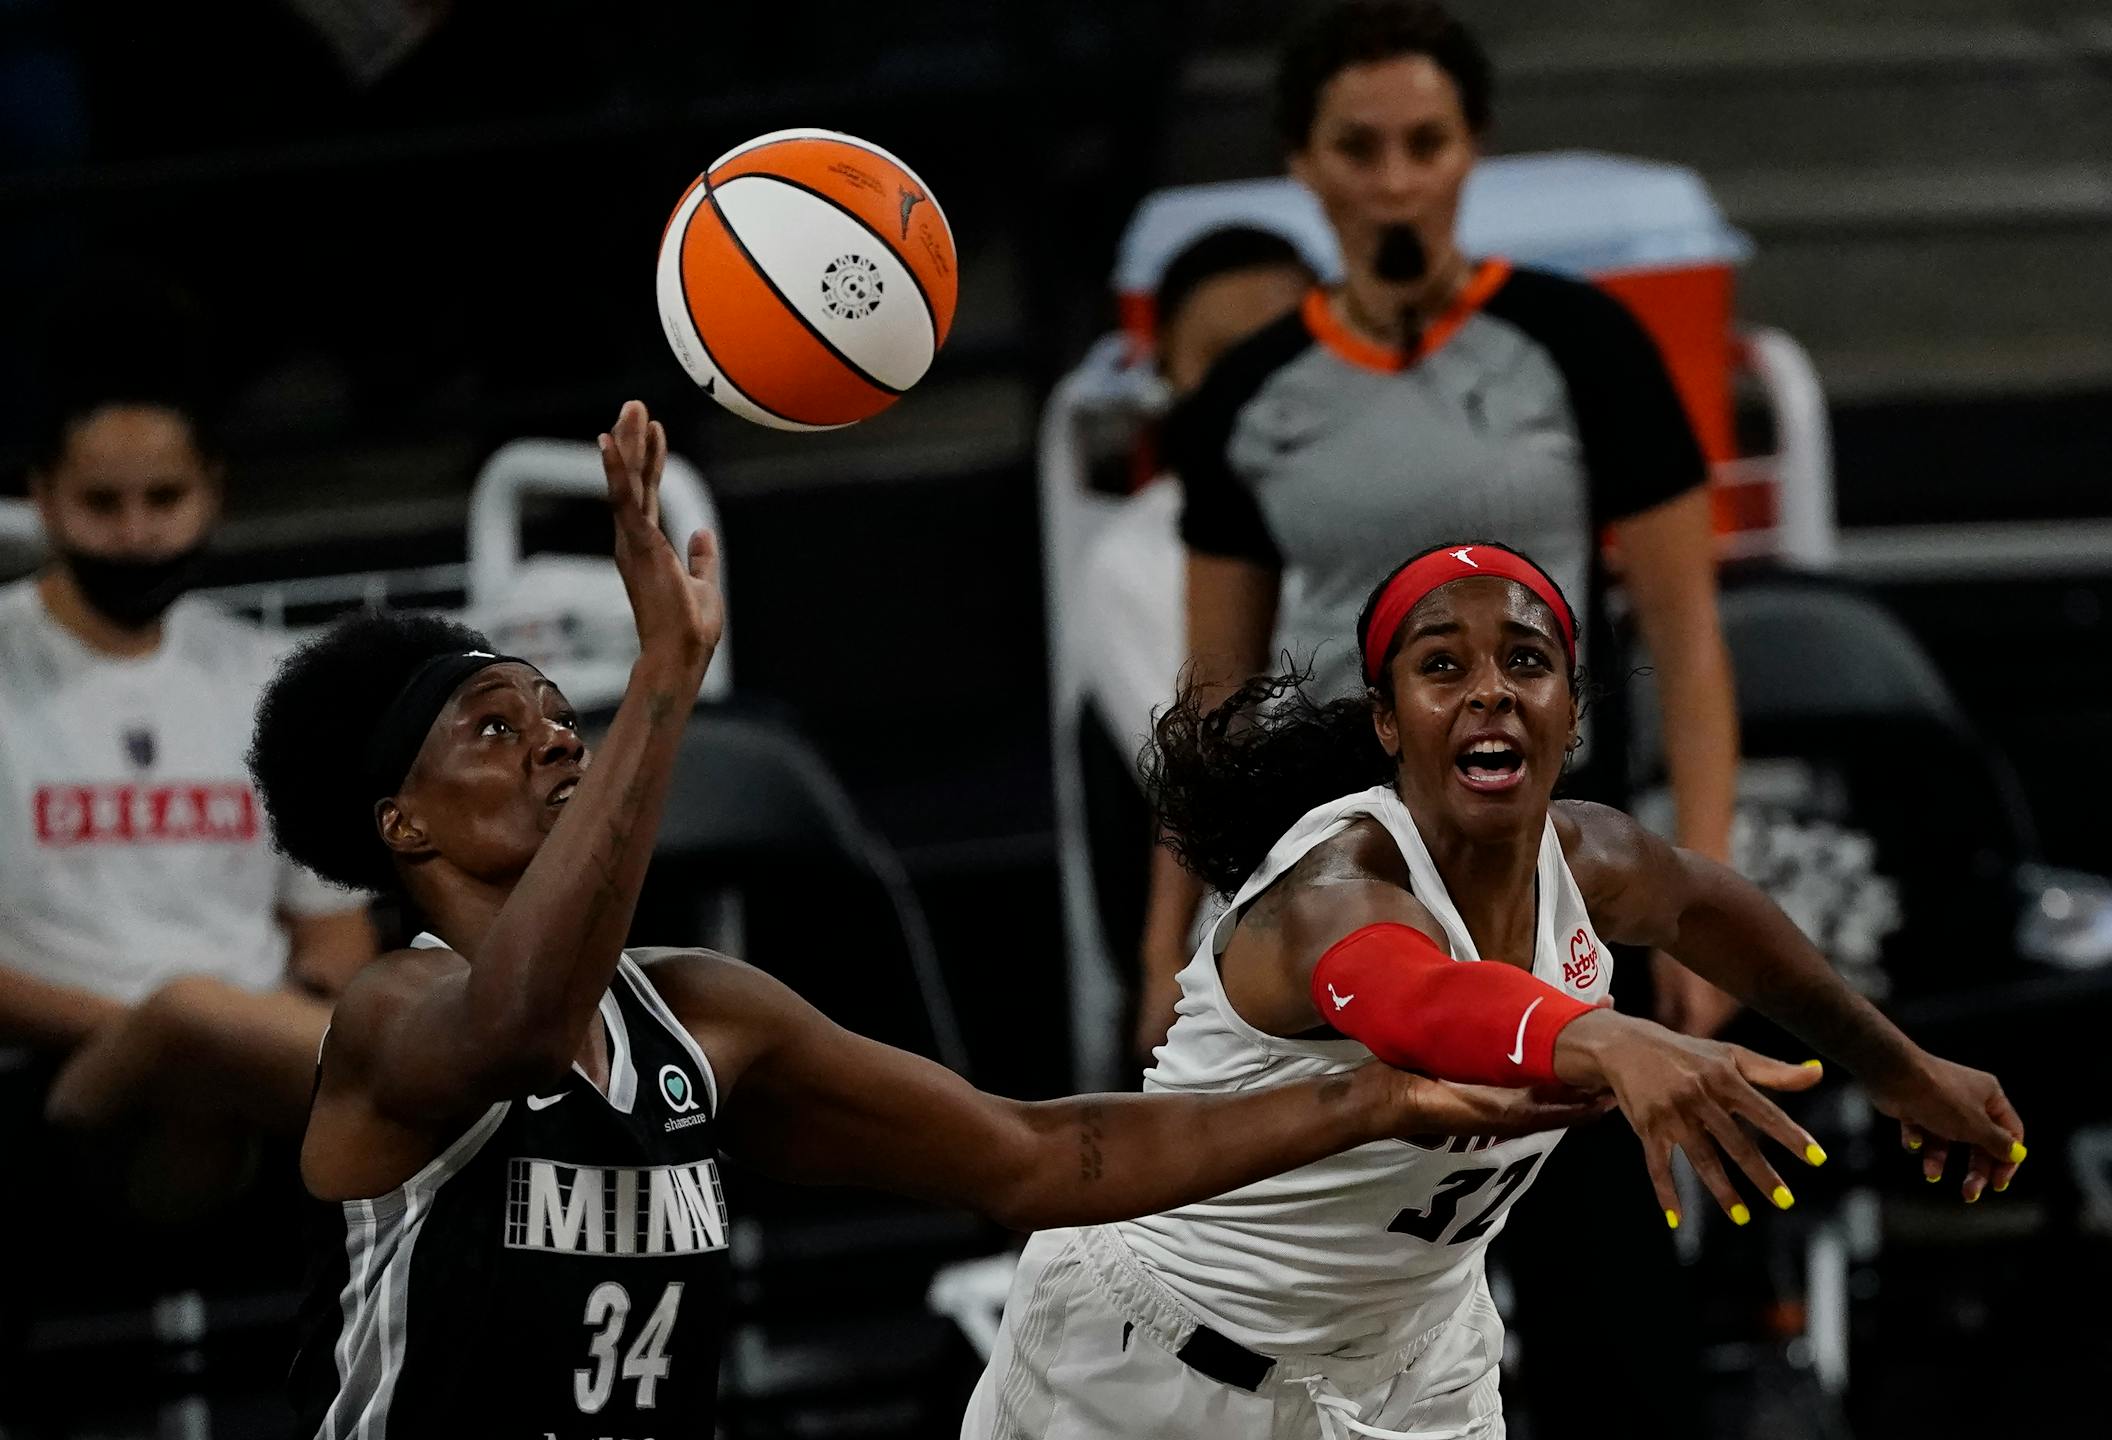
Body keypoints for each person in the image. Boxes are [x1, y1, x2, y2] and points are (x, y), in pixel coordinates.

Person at [259, 402, 1611, 1440]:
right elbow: (525, 1023)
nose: (556, 737)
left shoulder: (706, 1018)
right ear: (403, 825)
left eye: (561, 710)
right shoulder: (390, 1023)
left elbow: (1032, 1157)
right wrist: (668, 673)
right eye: (497, 729)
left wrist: (1367, 1104)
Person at [963, 541, 2025, 1440]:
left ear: (1570, 712)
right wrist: (1608, 1038)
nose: (1491, 690)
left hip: (1413, 1365)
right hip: (1152, 1365)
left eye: (1528, 660)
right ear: (1388, 722)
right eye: (1442, 665)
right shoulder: (1337, 886)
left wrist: (1901, 1071)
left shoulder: (1594, 859)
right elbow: (1411, 1003)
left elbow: (1719, 915)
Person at [1136, 0, 1740, 1060]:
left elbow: (1688, 646)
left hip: (1546, 845)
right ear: (1305, 166)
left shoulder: (1585, 345)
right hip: (1330, 864)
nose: (1396, 181)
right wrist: (1160, 956)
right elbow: (1214, 700)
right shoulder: (1248, 392)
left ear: (1473, 152)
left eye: (1426, 143)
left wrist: (1699, 911)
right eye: (1358, 149)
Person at [0, 382, 375, 1155]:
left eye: (165, 498)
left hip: (268, 1066)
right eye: (101, 504)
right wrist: (183, 1027)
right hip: (60, 1076)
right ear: (43, 498)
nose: (137, 533)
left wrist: (256, 1026)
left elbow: (337, 931)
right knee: (195, 1022)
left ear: (213, 493)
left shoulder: (273, 677)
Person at [1066, 225, 1316, 1073]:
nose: (1254, 381)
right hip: (1259, 951)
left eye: (1280, 347)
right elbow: (1226, 759)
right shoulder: (1133, 559)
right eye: (1221, 357)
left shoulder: (1379, 506)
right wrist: (1157, 965)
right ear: (1167, 372)